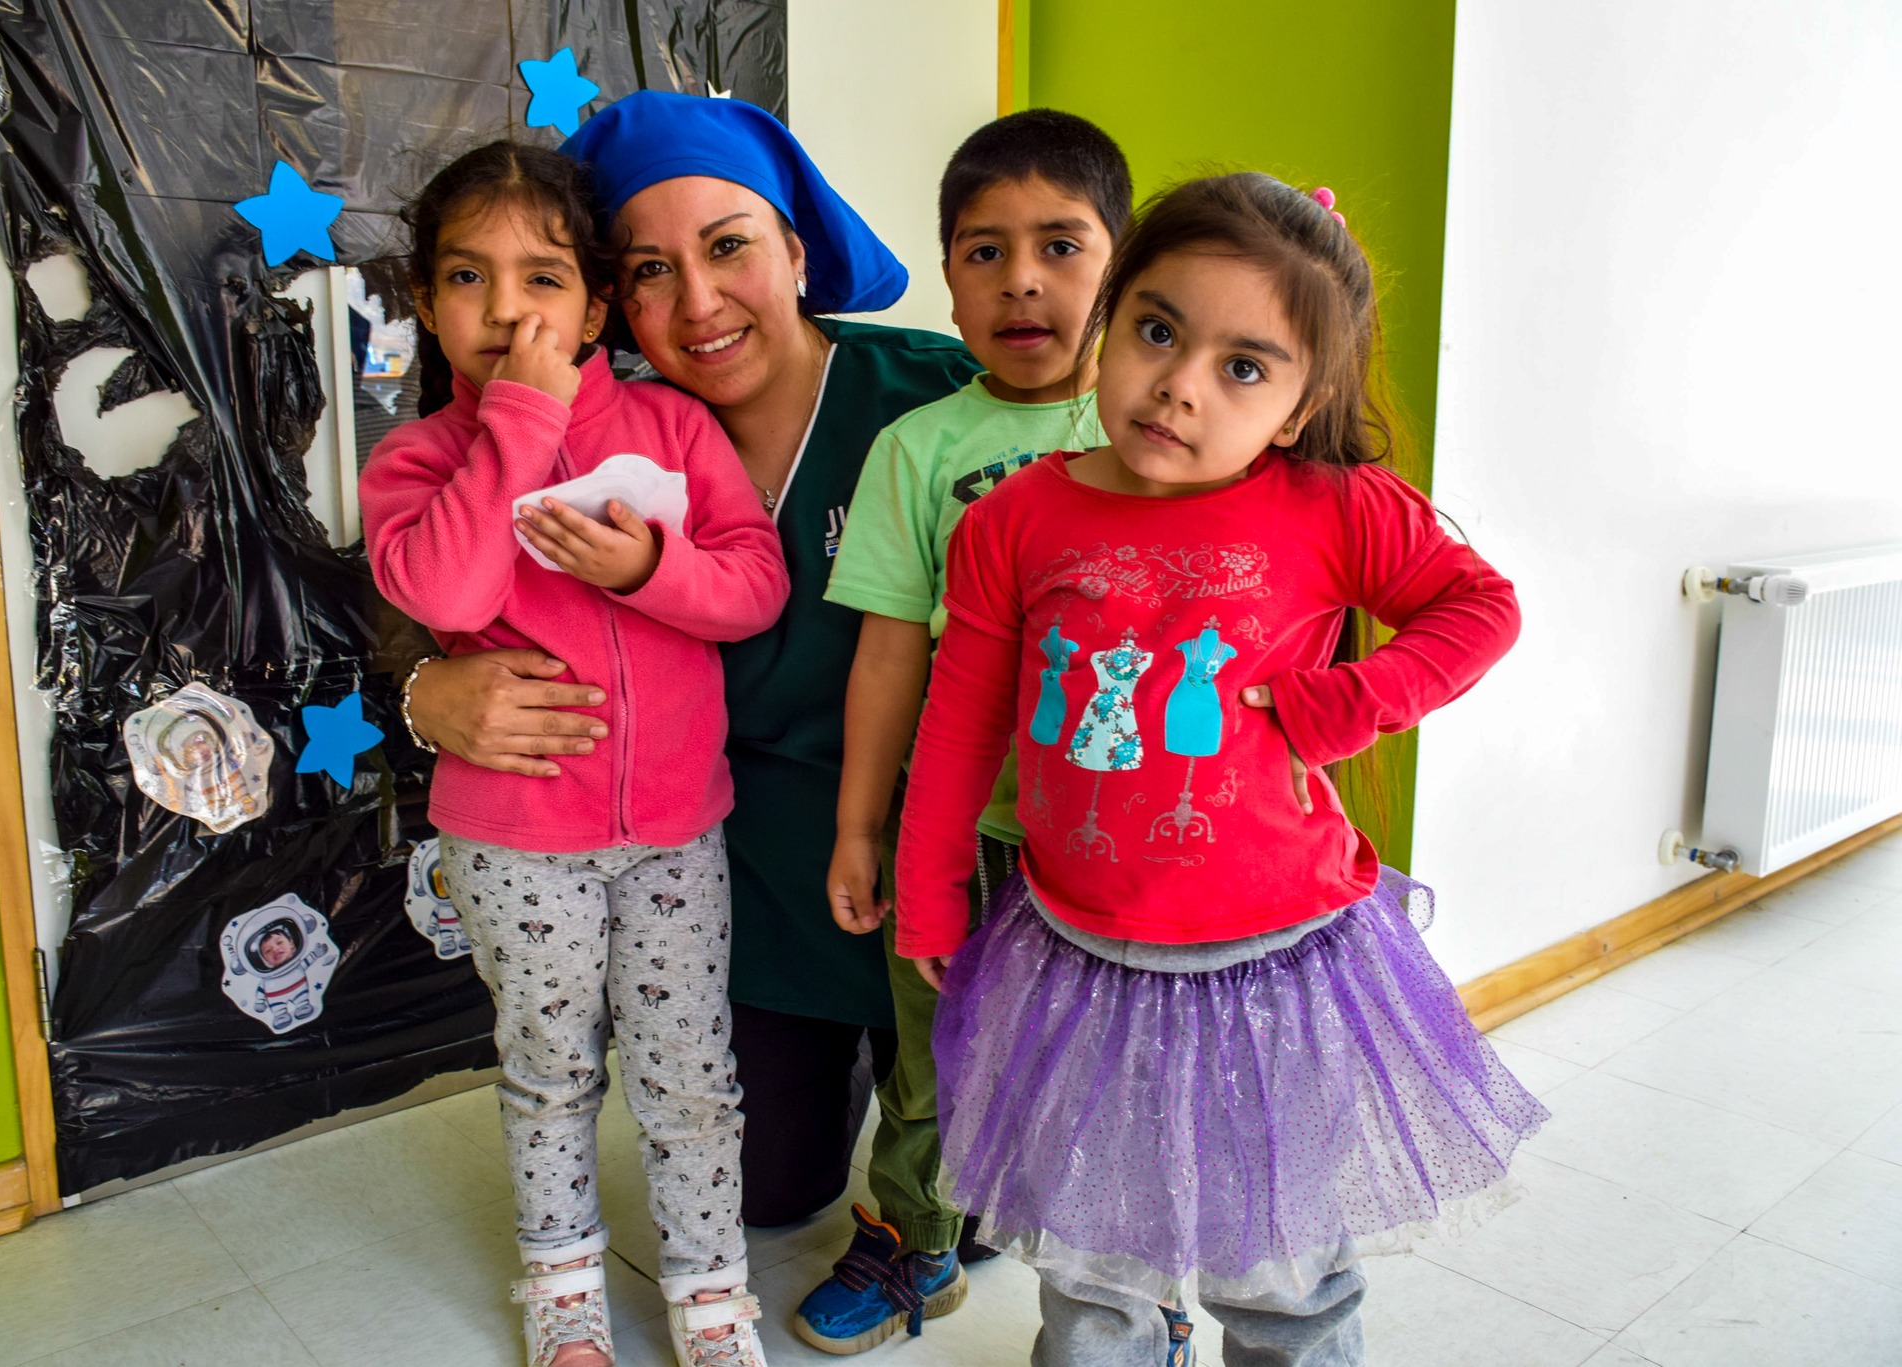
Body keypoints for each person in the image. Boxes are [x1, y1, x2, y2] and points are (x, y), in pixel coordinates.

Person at [895, 174, 1549, 1367]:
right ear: (1109, 322)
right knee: (1090, 1263)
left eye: (1243, 366)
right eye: (1155, 330)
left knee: (1278, 1265)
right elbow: (959, 715)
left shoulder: (1330, 505)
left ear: (1301, 405)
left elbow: (1478, 606)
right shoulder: (1012, 520)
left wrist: (1348, 701)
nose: (1179, 384)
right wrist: (931, 881)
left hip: (1278, 965)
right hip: (1072, 955)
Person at [396, 88, 981, 1328]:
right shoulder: (586, 428)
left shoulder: (934, 399)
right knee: (769, 1192)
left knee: (972, 1173)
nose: (699, 304)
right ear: (615, 301)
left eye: (728, 248)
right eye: (652, 269)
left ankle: (939, 1143)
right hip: (742, 855)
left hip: (943, 844)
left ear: (796, 252)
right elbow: (435, 579)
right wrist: (422, 689)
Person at [359, 140, 788, 1367]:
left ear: (597, 304)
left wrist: (652, 568)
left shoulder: (668, 423)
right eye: (466, 279)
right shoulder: (418, 460)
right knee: (549, 1066)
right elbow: (440, 584)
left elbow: (754, 585)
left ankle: (709, 1292)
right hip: (515, 842)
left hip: (672, 830)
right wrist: (521, 418)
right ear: (426, 302)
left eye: (542, 278)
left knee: (689, 1068)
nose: (507, 311)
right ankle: (561, 1286)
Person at [807, 110, 1132, 1355]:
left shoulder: (1146, 429)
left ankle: (1125, 1292)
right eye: (982, 251)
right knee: (931, 1060)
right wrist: (859, 825)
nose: (1022, 280)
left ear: (1119, 263)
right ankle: (913, 1243)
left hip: (1114, 846)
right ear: (946, 274)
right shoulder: (919, 447)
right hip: (954, 835)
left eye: (1060, 244)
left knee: (1113, 1070)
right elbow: (887, 649)